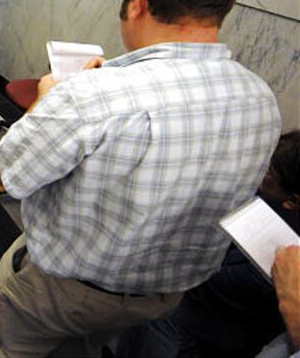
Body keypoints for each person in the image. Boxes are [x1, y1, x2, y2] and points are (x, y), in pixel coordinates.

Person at [0, 0, 282, 357]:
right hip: (164, 297)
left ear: (137, 2)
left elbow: (5, 176)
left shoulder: (91, 95)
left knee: (5, 340)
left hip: (66, 291)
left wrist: (45, 102)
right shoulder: (261, 101)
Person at [115, 130, 300, 357]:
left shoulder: (276, 263)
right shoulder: (274, 194)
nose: (261, 169)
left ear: (292, 201)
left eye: (269, 171)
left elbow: (202, 281)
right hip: (218, 305)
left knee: (158, 312)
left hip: (215, 321)